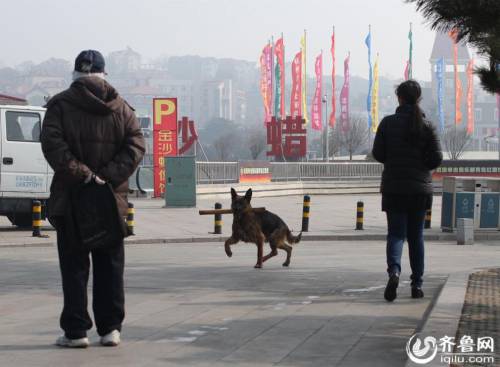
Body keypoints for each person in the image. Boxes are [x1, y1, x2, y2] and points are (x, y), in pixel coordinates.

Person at [41, 50, 145, 347]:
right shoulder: (122, 108)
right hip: (110, 200)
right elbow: (136, 145)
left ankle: (75, 332)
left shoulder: (60, 105)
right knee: (110, 266)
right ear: (103, 74)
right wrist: (107, 176)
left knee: (74, 267)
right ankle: (110, 329)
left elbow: (53, 145)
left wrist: (83, 174)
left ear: (75, 74)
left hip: (72, 198)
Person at [372, 80, 442, 302]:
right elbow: (437, 158)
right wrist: (422, 166)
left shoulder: (387, 123)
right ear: (418, 98)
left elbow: (378, 154)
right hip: (420, 190)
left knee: (395, 234)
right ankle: (417, 285)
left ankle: (394, 272)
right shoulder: (426, 125)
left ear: (399, 98)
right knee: (416, 237)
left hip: (394, 188)